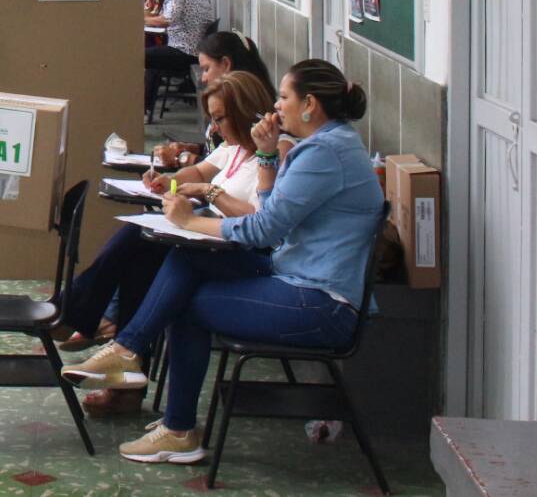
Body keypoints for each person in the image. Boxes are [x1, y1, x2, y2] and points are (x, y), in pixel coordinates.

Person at [62, 60, 383, 465]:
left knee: (186, 304)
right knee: (187, 258)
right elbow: (270, 217)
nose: (277, 106)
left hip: (323, 303)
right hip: (299, 275)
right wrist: (266, 156)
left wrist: (190, 219)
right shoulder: (327, 145)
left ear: (310, 105)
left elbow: (262, 230)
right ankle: (131, 356)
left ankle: (174, 423)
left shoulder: (323, 154)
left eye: (284, 97)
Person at [53, 71, 275, 415]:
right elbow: (200, 171)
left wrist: (209, 193)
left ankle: (82, 314)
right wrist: (167, 181)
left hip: (235, 250)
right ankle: (119, 371)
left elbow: (259, 218)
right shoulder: (233, 149)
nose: (214, 129)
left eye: (219, 119)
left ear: (246, 112)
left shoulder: (272, 155)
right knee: (140, 247)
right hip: (208, 235)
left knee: (144, 249)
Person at [142, 0, 215, 118]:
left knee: (139, 56)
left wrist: (143, 20)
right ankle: (145, 105)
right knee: (153, 61)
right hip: (196, 50)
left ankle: (138, 104)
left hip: (183, 52)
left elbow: (166, 20)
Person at [196, 30, 273, 97]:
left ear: (226, 64)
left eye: (206, 69)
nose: (203, 79)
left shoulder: (229, 103)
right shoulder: (258, 94)